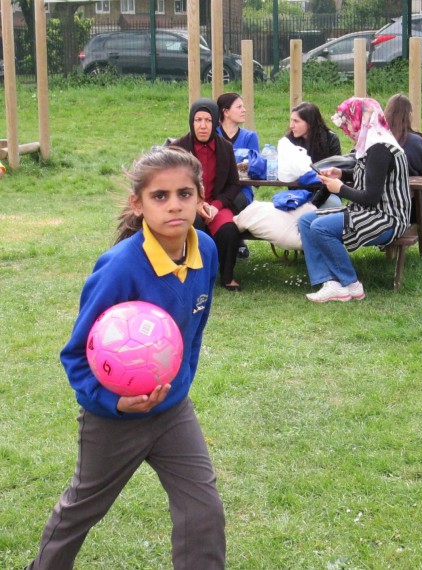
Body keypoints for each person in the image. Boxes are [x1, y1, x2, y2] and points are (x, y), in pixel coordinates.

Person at [26, 147, 225, 570]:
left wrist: (179, 384)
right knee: (82, 509)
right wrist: (113, 402)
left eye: (184, 194)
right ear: (138, 204)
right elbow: (76, 354)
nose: (174, 205)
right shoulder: (120, 268)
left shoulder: (206, 250)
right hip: (113, 420)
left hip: (172, 412)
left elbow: (193, 329)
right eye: (160, 196)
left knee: (203, 511)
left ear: (200, 197)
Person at [298, 97, 411, 303]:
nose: (346, 129)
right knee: (306, 221)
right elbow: (372, 177)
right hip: (368, 211)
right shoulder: (373, 142)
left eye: (348, 123)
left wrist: (339, 189)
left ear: (363, 119)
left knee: (321, 227)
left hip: (387, 218)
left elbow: (371, 198)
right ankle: (331, 282)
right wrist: (341, 173)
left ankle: (351, 283)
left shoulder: (380, 148)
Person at [171, 98, 244, 291]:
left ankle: (227, 276)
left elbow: (233, 184)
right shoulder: (177, 148)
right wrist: (194, 204)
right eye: (198, 120)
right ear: (191, 122)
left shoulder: (225, 147)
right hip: (186, 205)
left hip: (215, 204)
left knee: (229, 229)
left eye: (208, 120)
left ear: (215, 122)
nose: (203, 126)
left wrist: (216, 206)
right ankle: (193, 276)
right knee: (195, 224)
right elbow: (171, 184)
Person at [384, 93, 422, 247]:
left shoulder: (375, 139)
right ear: (409, 115)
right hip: (411, 208)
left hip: (379, 205)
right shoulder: (417, 142)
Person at [217, 92, 260, 259]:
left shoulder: (250, 136)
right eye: (239, 107)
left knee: (232, 202)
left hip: (242, 189)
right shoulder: (213, 134)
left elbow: (255, 166)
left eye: (243, 106)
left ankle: (234, 240)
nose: (244, 110)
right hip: (216, 187)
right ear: (226, 111)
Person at [286, 101, 343, 208]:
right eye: (291, 120)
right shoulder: (289, 141)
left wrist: (314, 202)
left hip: (328, 193)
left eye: (296, 121)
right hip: (298, 193)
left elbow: (335, 174)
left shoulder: (330, 139)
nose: (291, 125)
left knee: (330, 204)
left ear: (309, 123)